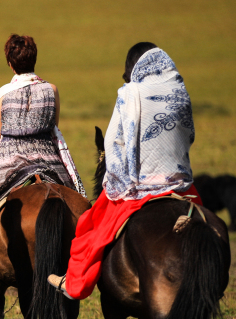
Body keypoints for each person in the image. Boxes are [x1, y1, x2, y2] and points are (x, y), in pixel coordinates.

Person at [49, 42, 200, 299]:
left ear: (133, 68)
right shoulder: (179, 89)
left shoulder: (129, 93)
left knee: (91, 227)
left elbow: (113, 142)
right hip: (180, 184)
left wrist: (117, 180)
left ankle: (75, 282)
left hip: (140, 187)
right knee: (205, 224)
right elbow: (190, 135)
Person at [0, 34, 86, 282]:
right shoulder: (52, 89)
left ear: (10, 63)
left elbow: (2, 131)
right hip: (48, 157)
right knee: (78, 199)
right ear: (34, 59)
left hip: (11, 158)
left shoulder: (3, 93)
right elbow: (54, 124)